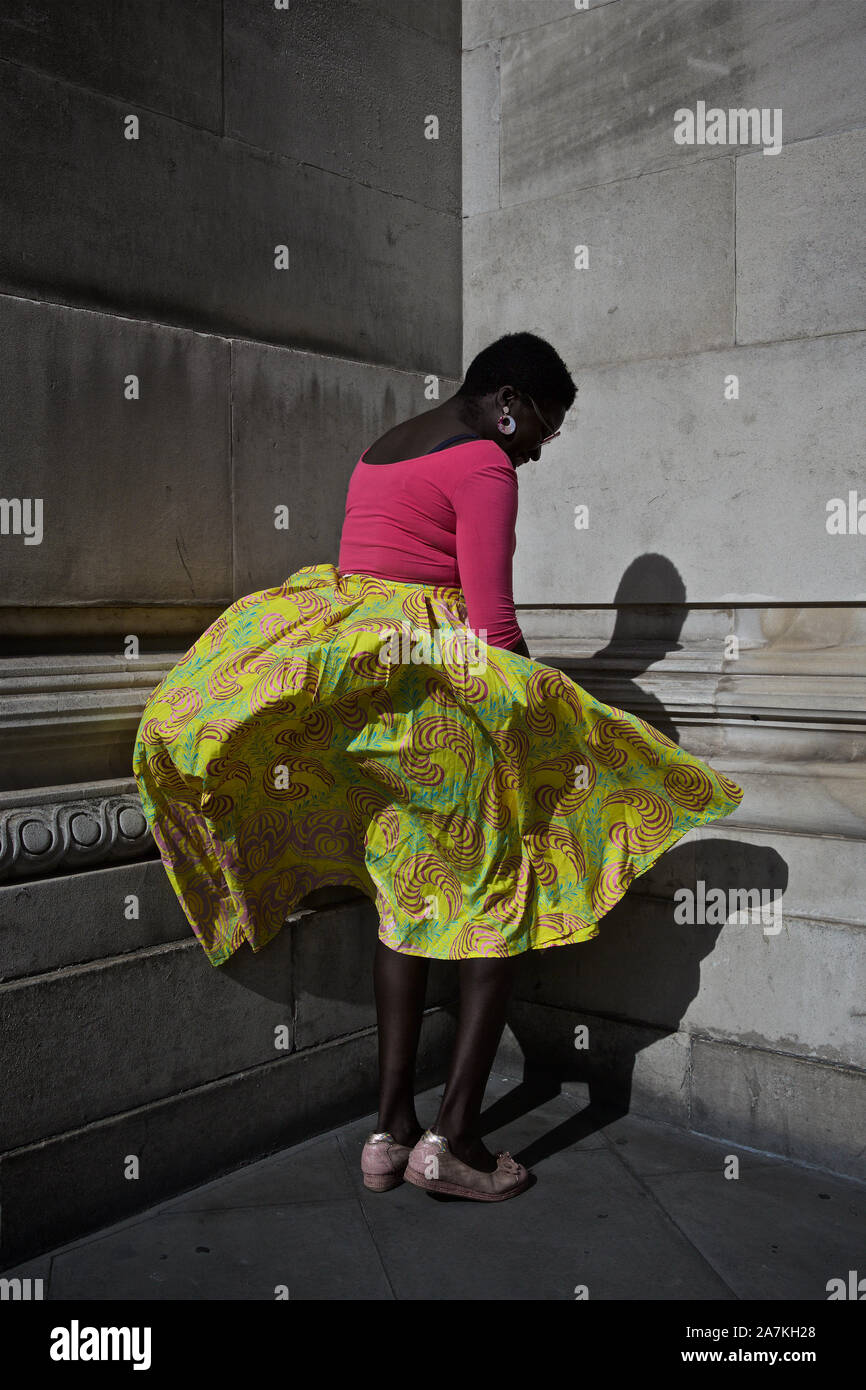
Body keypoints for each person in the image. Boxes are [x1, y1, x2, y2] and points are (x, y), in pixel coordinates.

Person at [132, 331, 744, 1204]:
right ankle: (455, 1140)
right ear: (509, 401)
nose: (536, 450)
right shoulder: (485, 466)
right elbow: (492, 626)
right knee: (489, 911)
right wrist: (545, 723)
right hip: (447, 714)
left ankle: (389, 1131)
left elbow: (367, 581)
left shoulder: (381, 452)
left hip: (382, 716)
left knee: (405, 901)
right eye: (542, 427)